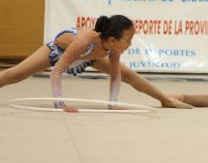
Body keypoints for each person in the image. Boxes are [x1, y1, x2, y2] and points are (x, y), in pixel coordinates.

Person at [0, 15, 191, 111]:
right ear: (113, 40)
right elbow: (57, 71)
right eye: (128, 40)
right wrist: (60, 104)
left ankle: (165, 99)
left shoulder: (113, 48)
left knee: (129, 75)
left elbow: (116, 75)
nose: (131, 44)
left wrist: (112, 104)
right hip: (59, 50)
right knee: (15, 74)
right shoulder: (84, 40)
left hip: (90, 55)